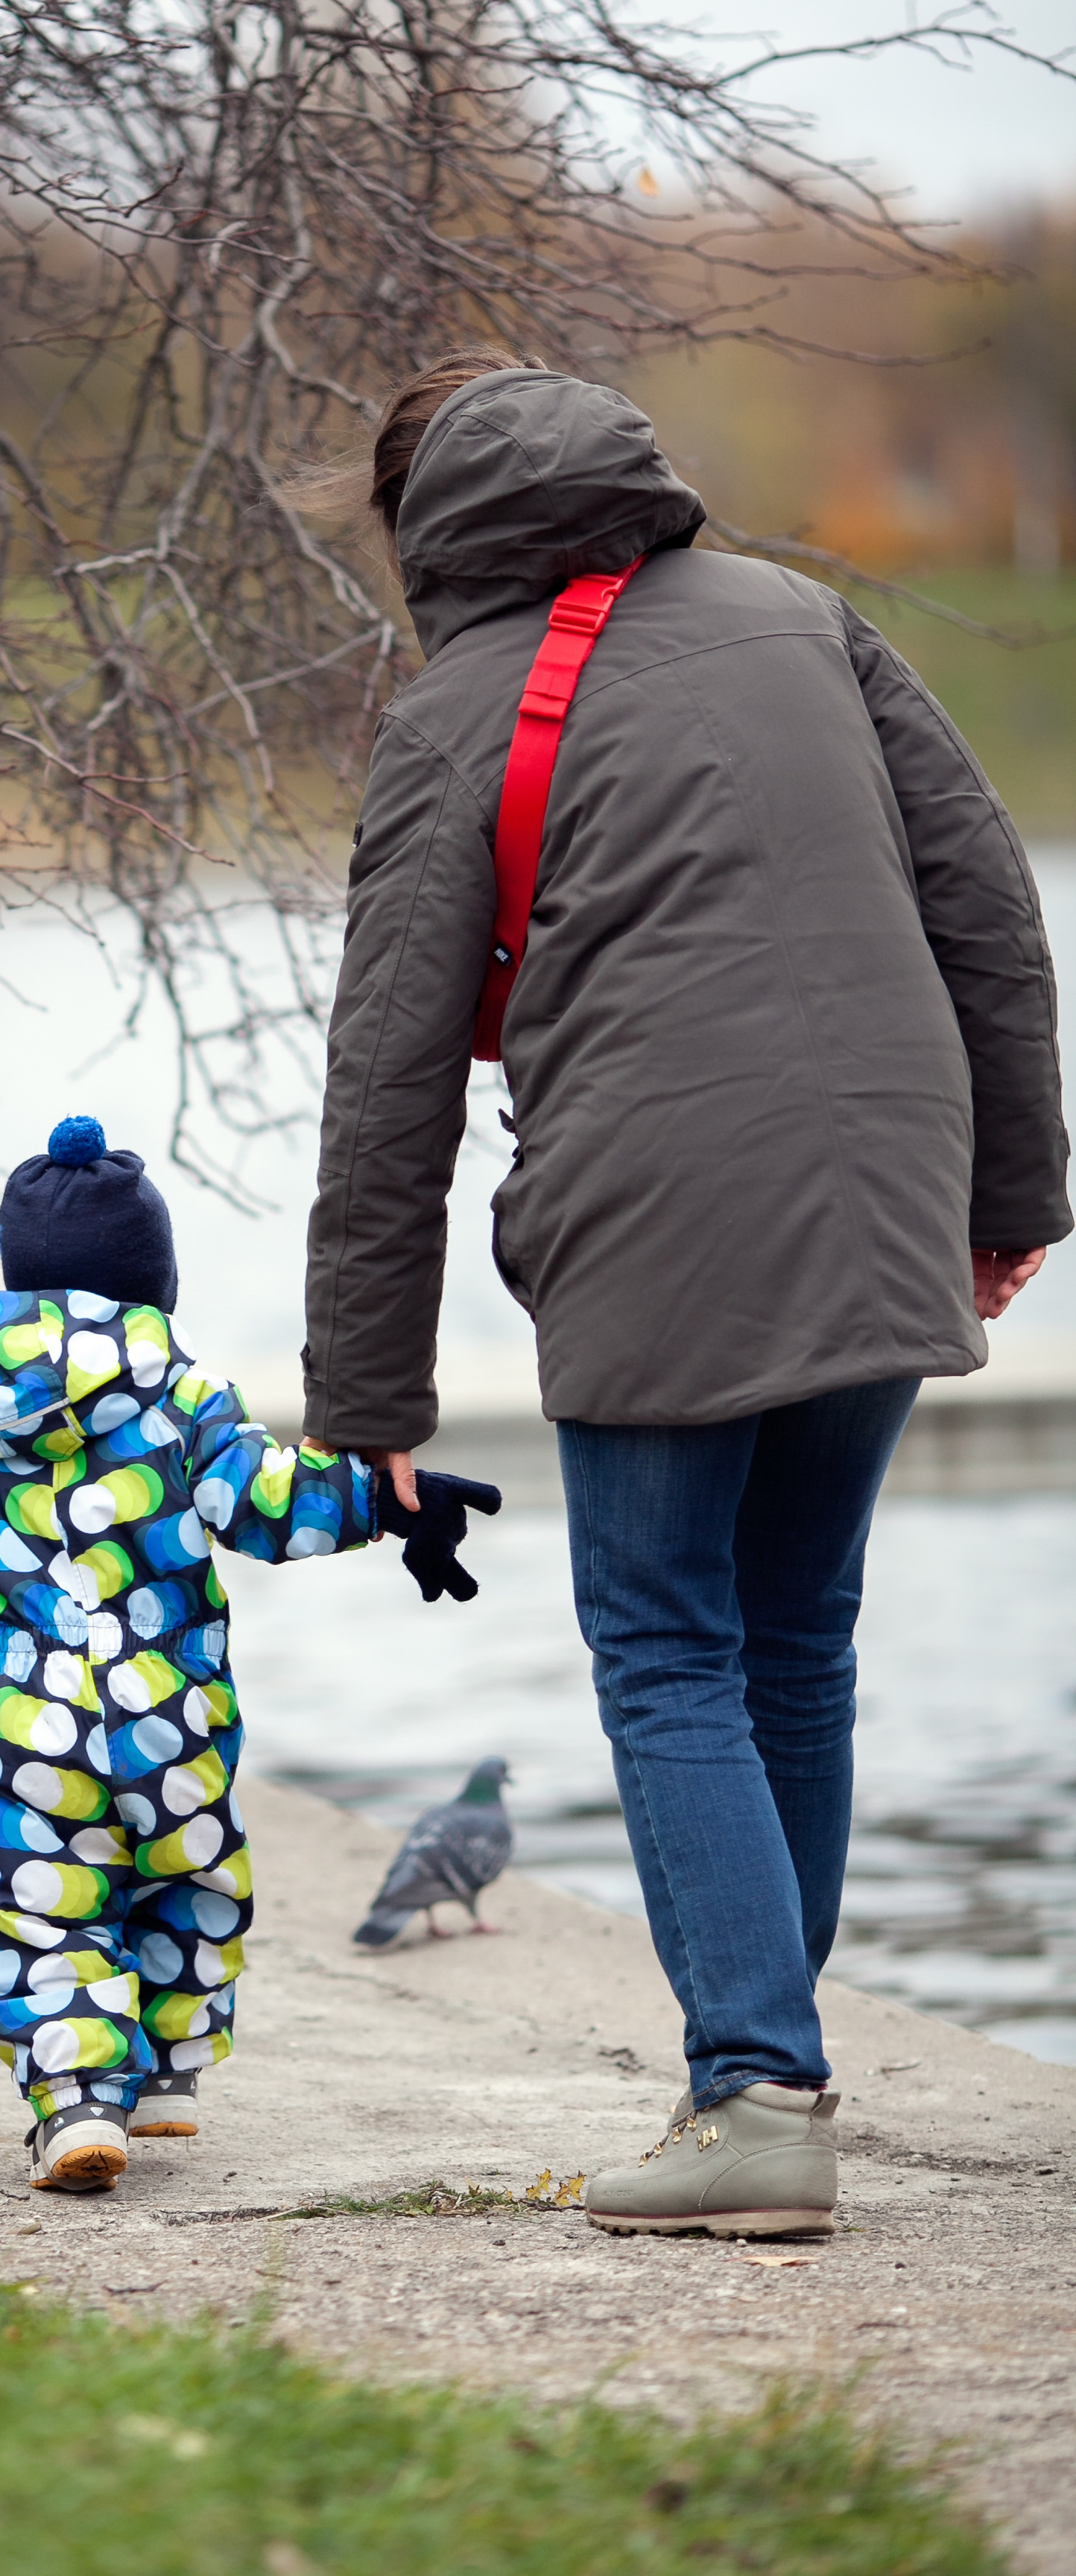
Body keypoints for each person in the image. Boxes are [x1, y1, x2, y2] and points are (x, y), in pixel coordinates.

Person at [303, 350, 1070, 2237]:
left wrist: (365, 1401)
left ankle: (752, 2097)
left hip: (656, 1193)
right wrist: (1010, 1195)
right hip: (882, 1166)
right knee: (794, 1638)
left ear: (427, 531)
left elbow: (390, 1071)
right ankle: (771, 2065)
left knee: (665, 1648)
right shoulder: (806, 623)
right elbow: (987, 913)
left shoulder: (456, 711)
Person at [0, 1114, 494, 2193]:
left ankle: (76, 2103)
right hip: (171, 1723)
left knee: (37, 1911)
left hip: (21, 1736)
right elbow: (265, 1499)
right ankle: (163, 2076)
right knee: (179, 1876)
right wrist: (387, 1502)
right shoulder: (184, 1399)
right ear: (154, 1284)